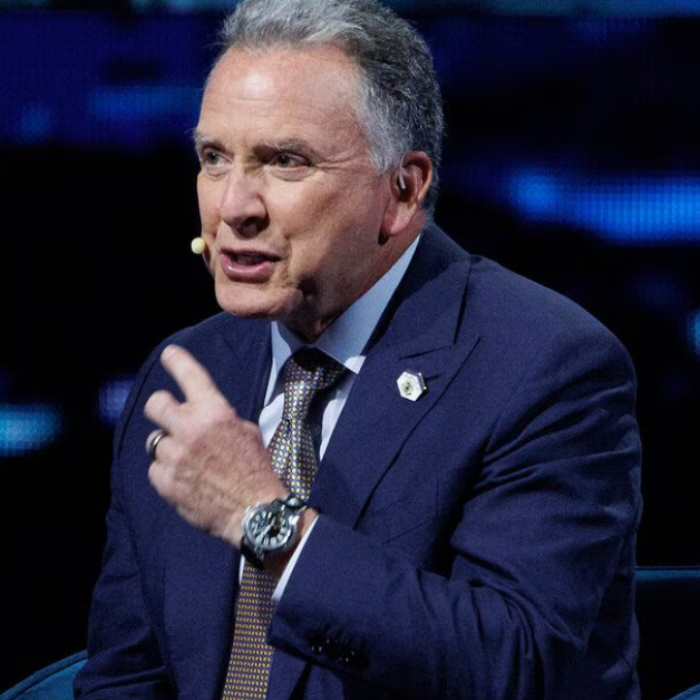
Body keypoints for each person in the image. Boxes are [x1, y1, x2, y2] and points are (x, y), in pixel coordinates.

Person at [73, 0, 643, 698]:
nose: (233, 207)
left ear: (402, 190)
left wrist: (266, 520)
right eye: (214, 159)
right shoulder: (188, 375)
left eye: (285, 161)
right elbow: (127, 675)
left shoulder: (545, 366)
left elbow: (516, 663)